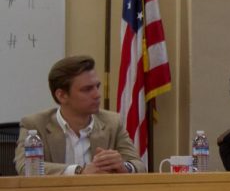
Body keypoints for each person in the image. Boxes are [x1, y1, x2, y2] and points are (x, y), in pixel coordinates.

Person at [14, 55, 146, 175]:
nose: (97, 95)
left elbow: (139, 165)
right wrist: (79, 171)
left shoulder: (112, 122)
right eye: (87, 89)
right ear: (62, 95)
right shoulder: (35, 125)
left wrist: (124, 166)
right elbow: (26, 167)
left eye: (97, 87)